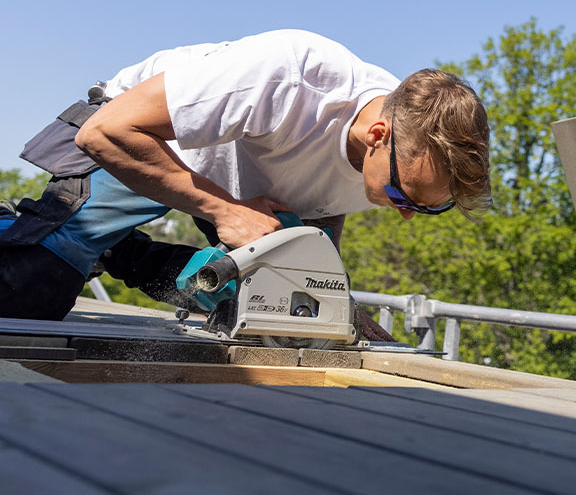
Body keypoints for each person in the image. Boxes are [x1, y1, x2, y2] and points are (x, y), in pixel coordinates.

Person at [0, 29, 491, 324]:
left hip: (242, 185)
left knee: (274, 313)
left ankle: (118, 250)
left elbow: (322, 206)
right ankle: (29, 235)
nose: (406, 213)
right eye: (401, 195)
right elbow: (104, 132)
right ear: (378, 135)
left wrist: (331, 304)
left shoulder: (401, 162)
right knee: (30, 290)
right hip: (144, 139)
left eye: (429, 207)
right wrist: (223, 210)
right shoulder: (293, 75)